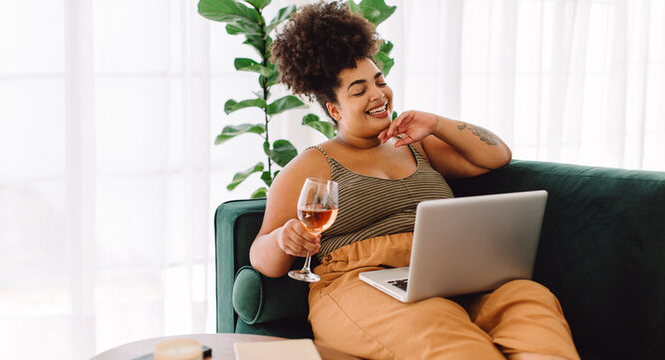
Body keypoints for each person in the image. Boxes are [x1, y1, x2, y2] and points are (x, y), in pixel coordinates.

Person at [249, 2, 580, 359]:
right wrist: (284, 238)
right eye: (359, 91)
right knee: (449, 339)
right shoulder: (312, 164)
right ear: (334, 109)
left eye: (380, 81)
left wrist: (435, 123)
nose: (378, 95)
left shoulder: (417, 143)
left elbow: (496, 154)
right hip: (359, 282)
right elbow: (261, 256)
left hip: (453, 273)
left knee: (529, 302)